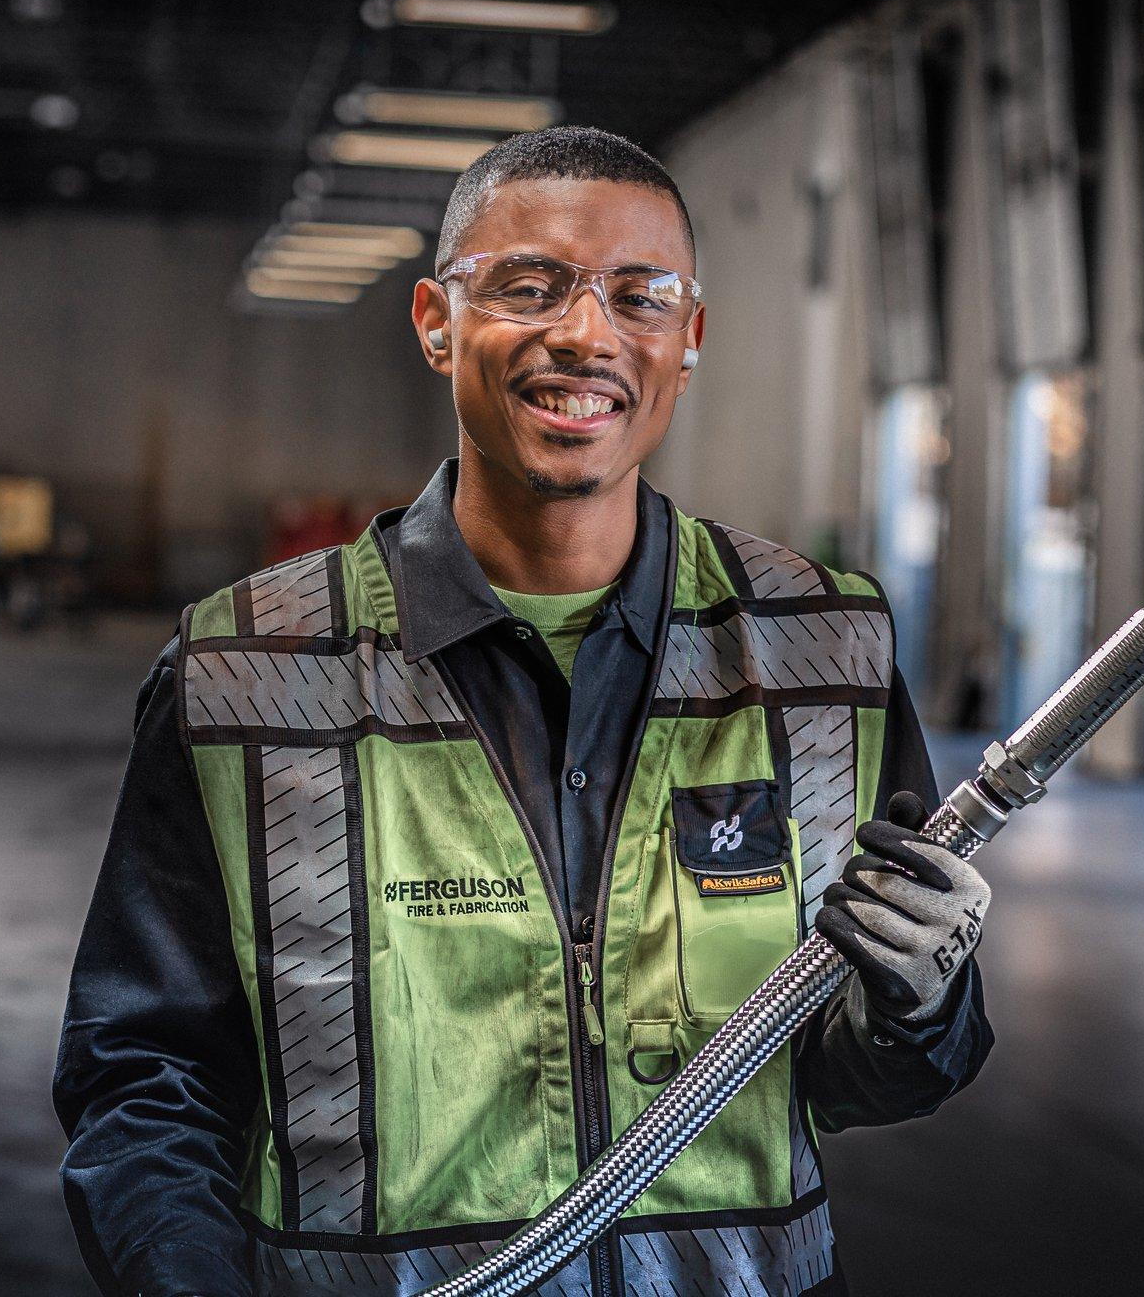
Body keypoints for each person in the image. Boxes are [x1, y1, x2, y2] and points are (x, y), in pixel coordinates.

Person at [54, 126, 992, 1296]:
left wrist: (921, 1001)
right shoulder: (244, 672)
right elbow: (144, 1076)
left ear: (687, 339)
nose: (586, 335)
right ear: (436, 321)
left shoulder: (822, 653)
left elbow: (853, 1080)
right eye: (528, 285)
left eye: (639, 296)